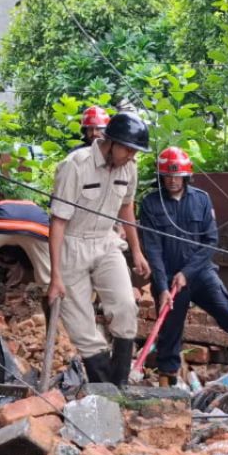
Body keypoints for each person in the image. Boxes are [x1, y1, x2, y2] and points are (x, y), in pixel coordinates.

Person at [138, 147, 228, 387]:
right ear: (160, 177)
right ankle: (166, 389)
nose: (172, 180)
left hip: (201, 273)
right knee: (169, 331)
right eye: (167, 176)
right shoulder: (150, 203)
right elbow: (153, 249)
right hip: (169, 278)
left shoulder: (201, 199)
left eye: (177, 175)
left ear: (186, 175)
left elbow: (210, 242)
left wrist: (187, 273)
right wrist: (161, 287)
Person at [48, 112, 152, 386]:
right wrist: (55, 276)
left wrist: (137, 251)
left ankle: (119, 387)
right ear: (111, 141)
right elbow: (58, 222)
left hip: (106, 241)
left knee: (126, 308)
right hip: (72, 243)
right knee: (83, 328)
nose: (131, 156)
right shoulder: (75, 166)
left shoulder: (129, 167)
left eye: (135, 151)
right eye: (128, 149)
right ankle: (104, 391)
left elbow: (127, 207)